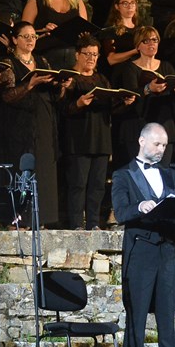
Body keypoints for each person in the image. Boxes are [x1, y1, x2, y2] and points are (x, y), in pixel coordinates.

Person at [111, 122, 175, 347]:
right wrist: (139, 206)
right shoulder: (123, 175)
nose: (162, 149)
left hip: (169, 251)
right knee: (136, 317)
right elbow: (120, 212)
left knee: (167, 318)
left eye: (165, 145)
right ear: (142, 141)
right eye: (157, 144)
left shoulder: (172, 176)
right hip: (141, 251)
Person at [60, 33, 135, 230]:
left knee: (97, 185)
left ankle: (93, 223)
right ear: (77, 55)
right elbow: (62, 109)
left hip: (101, 140)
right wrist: (78, 103)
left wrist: (124, 103)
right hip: (78, 139)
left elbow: (110, 109)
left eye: (94, 54)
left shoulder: (101, 79)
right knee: (78, 184)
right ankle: (76, 224)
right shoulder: (69, 78)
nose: (91, 58)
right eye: (87, 54)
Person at [0, 21, 62, 227]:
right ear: (15, 39)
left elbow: (54, 92)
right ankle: (17, 218)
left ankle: (41, 218)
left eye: (34, 36)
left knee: (43, 166)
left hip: (42, 120)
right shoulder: (8, 63)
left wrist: (61, 85)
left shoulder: (42, 60)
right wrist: (30, 84)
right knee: (19, 167)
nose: (31, 40)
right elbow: (7, 96)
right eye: (26, 36)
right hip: (17, 123)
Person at [113, 26, 175, 167]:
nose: (151, 44)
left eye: (154, 40)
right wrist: (148, 89)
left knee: (163, 172)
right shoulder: (130, 68)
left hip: (164, 125)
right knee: (141, 172)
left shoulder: (166, 66)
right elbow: (130, 96)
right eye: (146, 41)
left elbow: (174, 99)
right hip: (139, 125)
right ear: (138, 46)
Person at [22, 0, 89, 70]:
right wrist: (42, 30)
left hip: (71, 54)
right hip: (45, 53)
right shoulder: (37, 0)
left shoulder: (77, 2)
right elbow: (23, 33)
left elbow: (85, 33)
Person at [101, 0, 140, 68]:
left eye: (133, 3)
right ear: (117, 6)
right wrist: (136, 51)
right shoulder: (110, 30)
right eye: (125, 3)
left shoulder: (140, 30)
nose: (130, 7)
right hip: (120, 71)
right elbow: (111, 59)